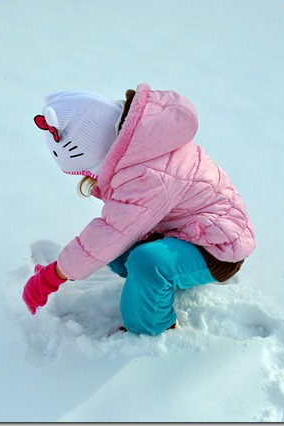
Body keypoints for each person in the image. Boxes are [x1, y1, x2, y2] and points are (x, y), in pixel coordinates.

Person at [22, 83, 256, 336]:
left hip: (217, 247)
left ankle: (150, 326)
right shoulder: (144, 145)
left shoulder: (145, 174)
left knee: (146, 261)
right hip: (186, 230)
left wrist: (53, 275)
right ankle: (155, 282)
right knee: (118, 252)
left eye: (89, 170)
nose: (91, 178)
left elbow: (110, 233)